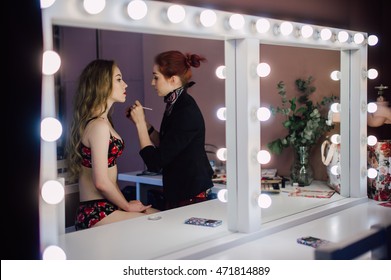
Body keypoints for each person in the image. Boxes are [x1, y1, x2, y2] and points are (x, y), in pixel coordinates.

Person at [66, 59, 159, 231]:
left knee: (159, 216)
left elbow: (110, 175)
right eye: (118, 79)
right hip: (95, 211)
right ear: (102, 84)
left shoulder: (104, 122)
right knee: (157, 223)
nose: (125, 85)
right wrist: (127, 206)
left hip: (106, 206)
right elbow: (101, 181)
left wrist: (124, 204)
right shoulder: (99, 126)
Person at [126, 50, 214, 210]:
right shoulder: (175, 104)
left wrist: (140, 125)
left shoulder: (185, 111)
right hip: (181, 192)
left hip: (191, 195)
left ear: (173, 79)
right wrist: (144, 125)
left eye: (156, 77)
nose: (153, 83)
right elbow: (167, 144)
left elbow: (155, 162)